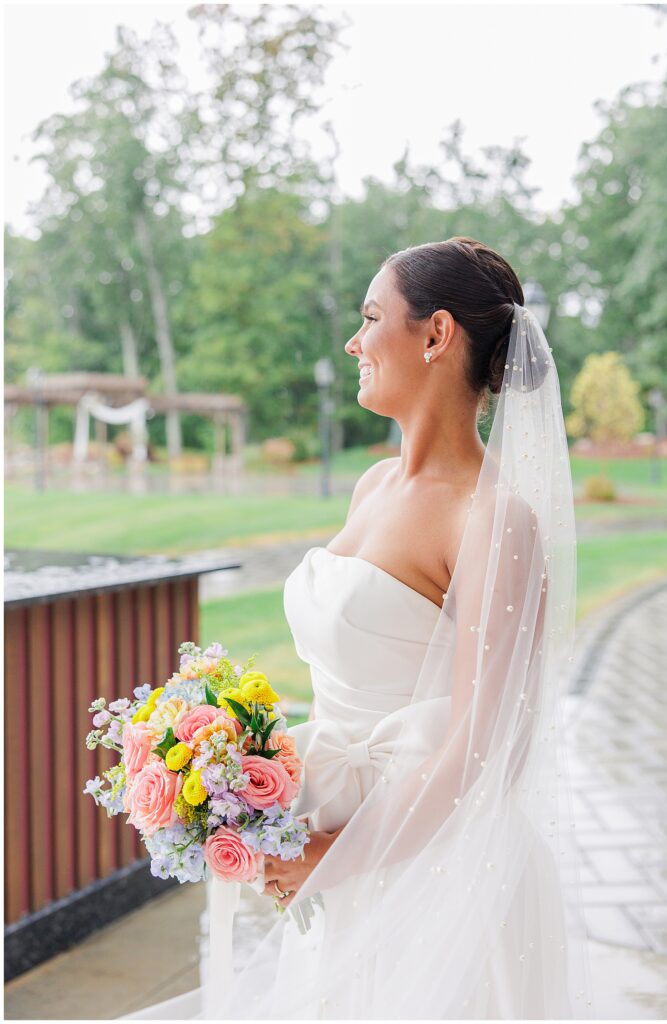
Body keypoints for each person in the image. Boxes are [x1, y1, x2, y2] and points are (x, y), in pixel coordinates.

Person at [125, 236, 594, 1020]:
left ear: (436, 335)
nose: (352, 340)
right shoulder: (373, 485)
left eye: (372, 316)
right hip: (335, 834)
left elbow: (484, 749)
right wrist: (238, 765)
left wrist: (330, 855)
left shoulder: (494, 518)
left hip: (434, 868)